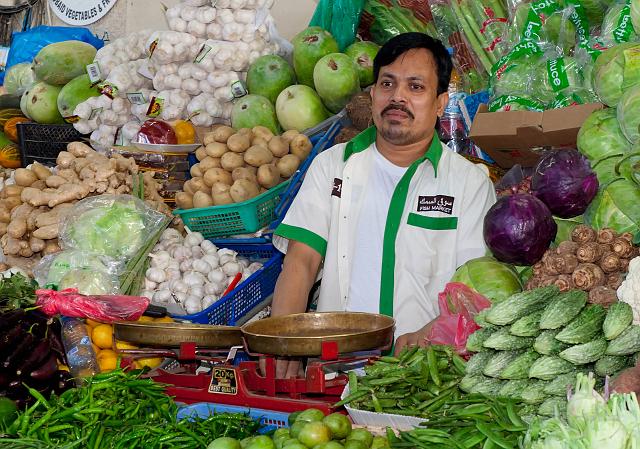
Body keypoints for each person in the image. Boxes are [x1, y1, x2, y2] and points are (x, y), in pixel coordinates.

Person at [270, 32, 496, 378]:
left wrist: (428, 335)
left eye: (416, 87)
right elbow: (301, 262)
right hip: (334, 374)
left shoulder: (469, 184)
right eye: (387, 84)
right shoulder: (333, 165)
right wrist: (282, 339)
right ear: (373, 94)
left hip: (424, 378)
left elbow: (474, 292)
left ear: (440, 103)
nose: (398, 97)